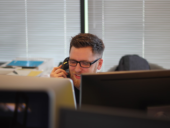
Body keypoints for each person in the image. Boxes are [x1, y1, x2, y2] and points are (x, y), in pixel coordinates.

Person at [50, 33, 105, 105]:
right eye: (73, 61)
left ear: (99, 64)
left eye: (85, 63)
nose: (77, 69)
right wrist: (53, 88)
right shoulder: (60, 87)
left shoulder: (107, 95)